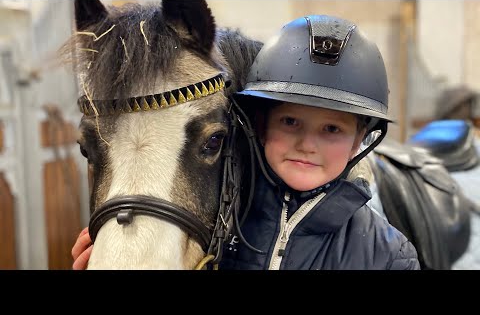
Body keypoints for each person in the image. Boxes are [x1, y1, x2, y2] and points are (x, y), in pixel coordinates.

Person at [71, 14, 421, 270]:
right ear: (260, 124)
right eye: (289, 121)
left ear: (361, 138)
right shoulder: (226, 228)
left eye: (332, 130)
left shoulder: (388, 255)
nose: (306, 144)